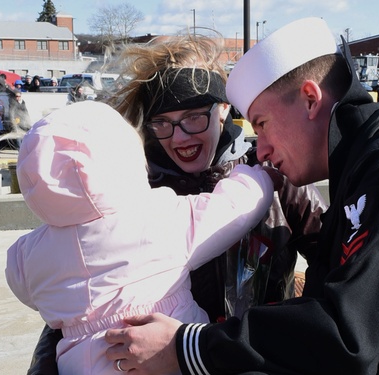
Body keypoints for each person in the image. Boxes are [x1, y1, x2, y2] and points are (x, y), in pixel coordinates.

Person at [104, 17, 379, 374]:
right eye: (164, 124)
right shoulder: (365, 170)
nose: (261, 149)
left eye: (261, 122)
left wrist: (189, 346)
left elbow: (346, 333)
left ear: (310, 99)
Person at [27, 32, 326, 374]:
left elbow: (334, 261)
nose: (180, 136)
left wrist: (294, 336)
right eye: (163, 123)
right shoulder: (120, 195)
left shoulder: (272, 174)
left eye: (195, 116)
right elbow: (76, 298)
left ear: (224, 108)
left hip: (256, 360)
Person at [6, 100, 277, 375]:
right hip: (163, 357)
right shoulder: (158, 217)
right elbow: (232, 209)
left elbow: (29, 293)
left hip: (76, 364)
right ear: (125, 158)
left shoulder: (27, 253)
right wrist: (254, 176)